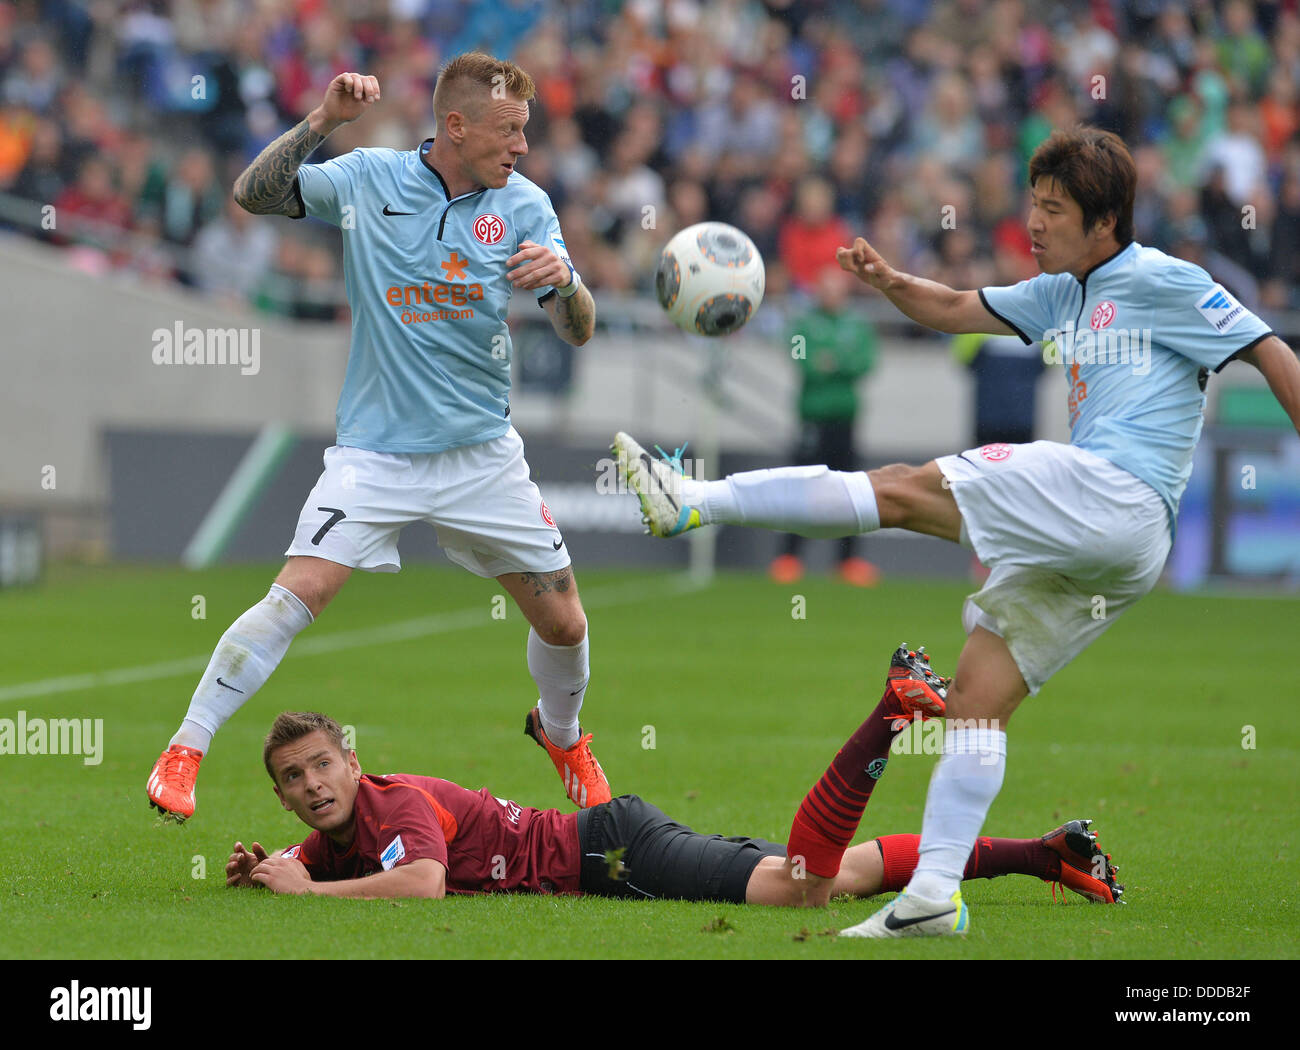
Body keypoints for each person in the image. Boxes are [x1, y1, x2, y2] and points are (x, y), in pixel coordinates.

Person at [613, 126, 1300, 936]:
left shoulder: (1164, 280)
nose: (1034, 223)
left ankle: (693, 499)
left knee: (903, 489)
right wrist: (885, 278)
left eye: (1053, 210)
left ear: (1107, 221)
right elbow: (952, 308)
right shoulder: (1058, 291)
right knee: (978, 695)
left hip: (1117, 493)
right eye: (1032, 205)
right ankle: (933, 896)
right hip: (1116, 545)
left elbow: (1268, 349)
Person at [148, 54, 609, 823]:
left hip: (481, 456)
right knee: (300, 592)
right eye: (509, 131)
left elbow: (579, 331)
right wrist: (322, 122)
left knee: (565, 621)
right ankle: (185, 747)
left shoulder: (525, 206)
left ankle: (561, 736)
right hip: (375, 454)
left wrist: (565, 282)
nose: (523, 147)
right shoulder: (367, 179)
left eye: (526, 132)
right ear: (455, 125)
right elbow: (252, 195)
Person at [227, 648, 1122, 911]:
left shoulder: (391, 803)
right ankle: (1047, 855)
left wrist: (304, 895)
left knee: (799, 891)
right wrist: (275, 866)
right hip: (607, 834)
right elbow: (334, 857)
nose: (311, 786)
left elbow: (421, 884)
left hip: (615, 856)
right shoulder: (338, 831)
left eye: (320, 765)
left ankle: (890, 712)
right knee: (844, 871)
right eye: (293, 779)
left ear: (352, 757)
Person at [771, 264, 879, 586]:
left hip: (845, 420)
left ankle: (846, 561)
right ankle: (789, 557)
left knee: (849, 491)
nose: (832, 294)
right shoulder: (805, 323)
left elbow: (865, 362)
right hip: (812, 418)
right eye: (826, 287)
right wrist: (834, 363)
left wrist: (831, 362)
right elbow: (803, 360)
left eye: (837, 288)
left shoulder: (856, 324)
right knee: (801, 487)